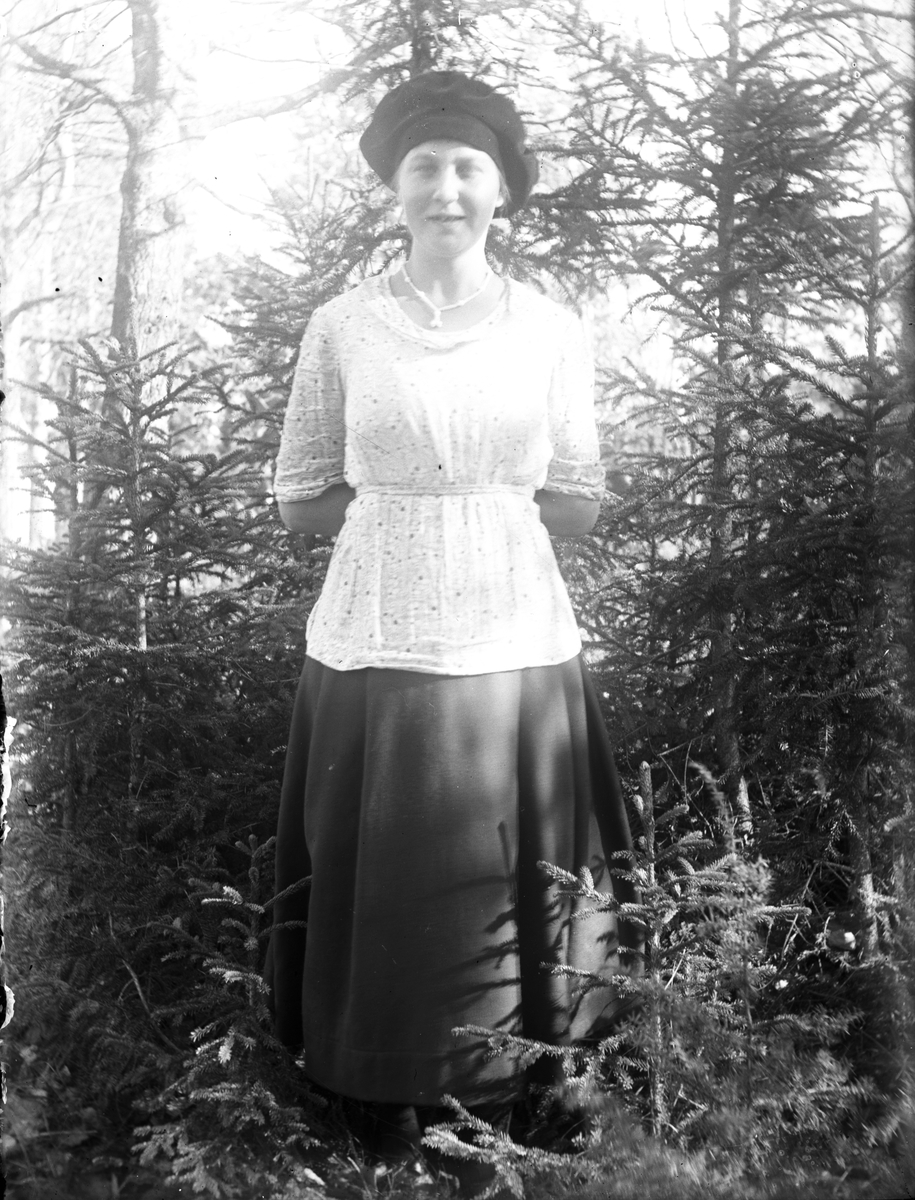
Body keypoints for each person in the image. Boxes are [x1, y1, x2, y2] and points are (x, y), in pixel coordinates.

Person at [265, 69, 639, 1179]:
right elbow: (298, 496)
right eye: (423, 166)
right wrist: (403, 513)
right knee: (385, 861)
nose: (446, 188)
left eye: (468, 168)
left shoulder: (552, 330)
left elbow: (578, 497)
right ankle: (375, 1089)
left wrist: (478, 514)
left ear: (500, 191)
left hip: (515, 637)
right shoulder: (342, 327)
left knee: (504, 857)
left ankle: (518, 1089)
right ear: (394, 187)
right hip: (375, 630)